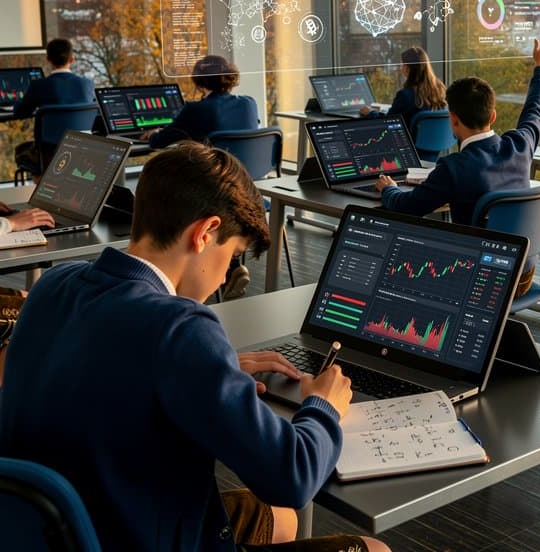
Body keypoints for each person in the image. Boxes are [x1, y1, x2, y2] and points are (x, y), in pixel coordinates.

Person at [0, 143, 389, 552]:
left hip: (63, 529)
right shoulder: (182, 327)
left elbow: (105, 366)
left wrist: (209, 372)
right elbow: (292, 477)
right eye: (232, 256)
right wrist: (323, 406)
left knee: (278, 520)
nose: (223, 278)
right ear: (205, 233)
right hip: (141, 534)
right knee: (373, 549)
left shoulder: (52, 286)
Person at [374, 32, 540, 227]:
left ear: (453, 120)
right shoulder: (520, 146)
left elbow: (406, 207)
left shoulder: (453, 168)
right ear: (493, 116)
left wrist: (390, 189)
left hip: (471, 257)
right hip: (524, 255)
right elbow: (535, 113)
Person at [13, 37, 95, 174]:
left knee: (20, 150)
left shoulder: (39, 85)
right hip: (83, 149)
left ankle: (41, 184)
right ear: (72, 59)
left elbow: (19, 112)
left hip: (49, 153)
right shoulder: (86, 84)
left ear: (47, 59)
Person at [146, 55, 259, 148]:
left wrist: (154, 134)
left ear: (200, 81)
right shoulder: (249, 103)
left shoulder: (195, 109)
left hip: (216, 173)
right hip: (248, 173)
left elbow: (158, 142)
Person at [358, 47, 446, 141]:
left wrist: (371, 112)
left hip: (409, 148)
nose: (401, 67)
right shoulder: (439, 89)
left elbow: (387, 122)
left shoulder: (406, 95)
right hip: (432, 149)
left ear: (407, 68)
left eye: (402, 64)